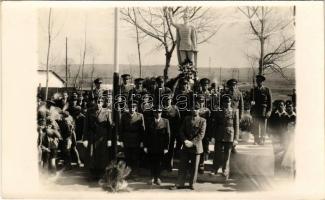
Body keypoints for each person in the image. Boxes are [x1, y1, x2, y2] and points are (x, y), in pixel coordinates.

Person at [171, 104, 206, 190]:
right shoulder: (186, 119)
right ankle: (179, 183)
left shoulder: (203, 120)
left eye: (197, 109)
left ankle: (192, 184)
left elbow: (201, 134)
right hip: (186, 145)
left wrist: (192, 143)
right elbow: (181, 131)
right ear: (191, 110)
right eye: (193, 109)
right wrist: (185, 140)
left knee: (194, 167)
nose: (195, 111)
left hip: (196, 147)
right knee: (182, 165)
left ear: (199, 111)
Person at [83, 97, 113, 179]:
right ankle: (93, 174)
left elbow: (109, 126)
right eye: (97, 101)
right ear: (94, 102)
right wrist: (85, 139)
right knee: (92, 155)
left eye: (100, 102)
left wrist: (109, 139)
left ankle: (102, 174)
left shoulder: (107, 112)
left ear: (103, 103)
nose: (98, 103)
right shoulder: (89, 111)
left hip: (103, 137)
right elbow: (86, 126)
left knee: (102, 155)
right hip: (92, 136)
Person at [211, 95, 239, 180]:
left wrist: (235, 138)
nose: (227, 103)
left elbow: (236, 125)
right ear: (222, 103)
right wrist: (213, 136)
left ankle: (225, 169)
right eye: (226, 102)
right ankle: (215, 168)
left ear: (231, 102)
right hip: (219, 133)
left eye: (229, 101)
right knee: (217, 153)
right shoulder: (218, 111)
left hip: (229, 134)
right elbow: (215, 124)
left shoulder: (235, 111)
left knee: (227, 153)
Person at [144, 107, 170, 185]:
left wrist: (166, 147)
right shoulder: (149, 121)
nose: (157, 114)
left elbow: (168, 135)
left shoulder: (166, 121)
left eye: (159, 112)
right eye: (156, 112)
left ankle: (157, 177)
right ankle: (152, 177)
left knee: (159, 162)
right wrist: (145, 146)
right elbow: (146, 134)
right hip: (151, 145)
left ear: (161, 113)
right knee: (152, 161)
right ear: (153, 113)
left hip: (161, 146)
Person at [119, 102, 145, 176]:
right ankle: (128, 173)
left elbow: (142, 129)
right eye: (130, 108)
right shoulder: (124, 116)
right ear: (128, 108)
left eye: (133, 108)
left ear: (136, 108)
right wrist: (120, 140)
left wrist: (142, 141)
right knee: (128, 157)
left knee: (135, 157)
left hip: (136, 139)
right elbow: (121, 129)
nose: (132, 109)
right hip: (126, 138)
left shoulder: (140, 116)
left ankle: (135, 173)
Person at [250, 75, 272, 145]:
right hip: (255, 110)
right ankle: (256, 140)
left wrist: (269, 111)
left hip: (264, 110)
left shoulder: (266, 90)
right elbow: (250, 99)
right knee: (255, 125)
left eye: (260, 81)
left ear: (262, 82)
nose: (259, 82)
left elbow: (270, 102)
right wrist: (251, 102)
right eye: (257, 81)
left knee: (263, 126)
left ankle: (262, 139)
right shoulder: (253, 90)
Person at [162, 94, 181, 171]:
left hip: (172, 132)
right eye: (166, 100)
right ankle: (163, 164)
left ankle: (169, 165)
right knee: (163, 148)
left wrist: (176, 133)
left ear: (171, 100)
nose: (167, 101)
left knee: (170, 149)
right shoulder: (161, 109)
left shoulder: (175, 108)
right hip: (162, 132)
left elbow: (178, 121)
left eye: (169, 100)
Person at [268, 100, 288, 176]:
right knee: (276, 156)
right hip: (275, 139)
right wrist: (270, 135)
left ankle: (282, 174)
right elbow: (269, 125)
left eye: (282, 105)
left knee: (284, 156)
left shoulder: (286, 115)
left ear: (284, 106)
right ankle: (276, 173)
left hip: (284, 139)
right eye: (279, 105)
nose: (280, 106)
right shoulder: (273, 114)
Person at [225, 79, 244, 153]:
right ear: (229, 86)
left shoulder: (239, 93)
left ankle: (233, 146)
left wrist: (241, 115)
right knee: (228, 130)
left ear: (236, 85)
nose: (233, 87)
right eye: (231, 85)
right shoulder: (225, 93)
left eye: (234, 85)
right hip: (227, 114)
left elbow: (241, 105)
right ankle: (227, 145)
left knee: (235, 130)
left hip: (236, 114)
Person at [196, 95, 211, 174]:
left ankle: (201, 165)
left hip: (204, 132)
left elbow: (210, 122)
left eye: (202, 101)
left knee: (204, 149)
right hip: (195, 132)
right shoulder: (194, 109)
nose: (200, 103)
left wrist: (209, 134)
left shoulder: (207, 110)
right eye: (199, 101)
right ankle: (195, 165)